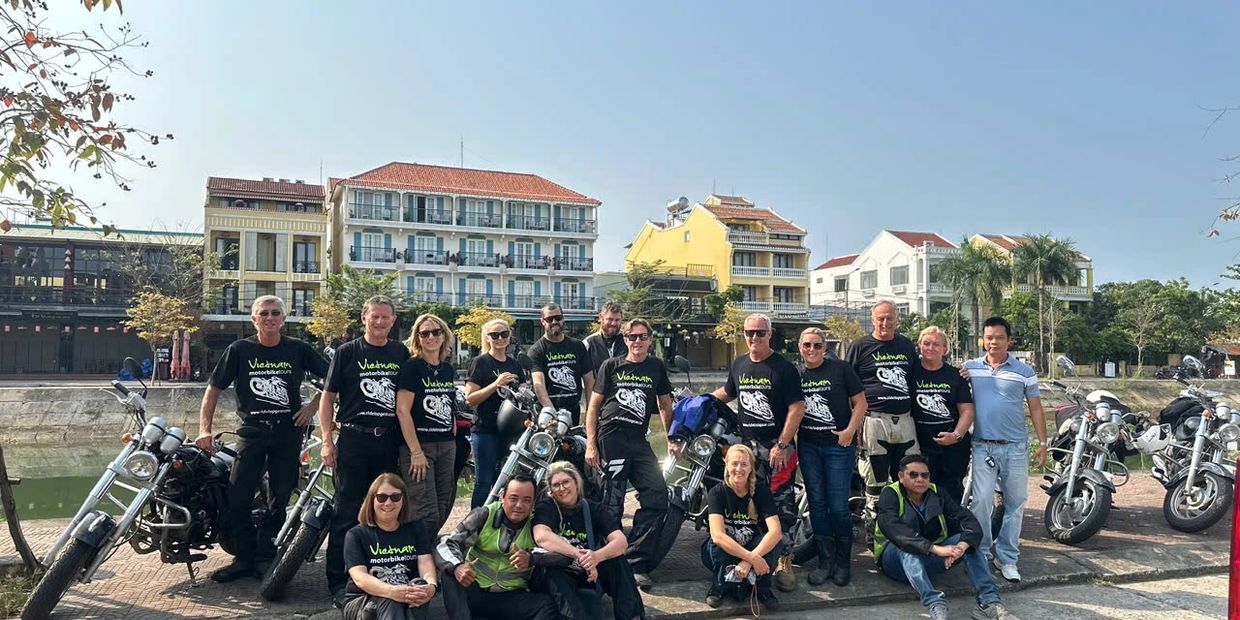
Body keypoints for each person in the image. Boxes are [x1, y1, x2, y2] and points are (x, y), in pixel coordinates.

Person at [196, 295, 327, 583]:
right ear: (254, 319)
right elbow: (213, 390)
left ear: (284, 318)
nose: (270, 318)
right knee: (237, 496)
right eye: (263, 313)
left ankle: (265, 556)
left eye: (275, 313)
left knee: (279, 497)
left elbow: (334, 379)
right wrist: (205, 429)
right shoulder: (239, 349)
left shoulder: (299, 349)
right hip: (252, 430)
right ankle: (242, 558)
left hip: (287, 432)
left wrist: (312, 407)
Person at [320, 295, 410, 604]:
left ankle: (378, 572)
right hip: (354, 440)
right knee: (346, 510)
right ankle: (338, 581)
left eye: (386, 317)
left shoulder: (401, 352)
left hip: (387, 441)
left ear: (393, 321)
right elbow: (328, 397)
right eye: (375, 317)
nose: (380, 322)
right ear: (364, 318)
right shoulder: (347, 352)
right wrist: (327, 440)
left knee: (385, 509)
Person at [711, 313, 804, 592]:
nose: (754, 337)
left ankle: (783, 560)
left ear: (769, 334)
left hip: (777, 447)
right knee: (746, 502)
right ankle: (749, 554)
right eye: (749, 332)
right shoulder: (739, 364)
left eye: (760, 333)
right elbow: (727, 393)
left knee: (781, 504)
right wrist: (695, 400)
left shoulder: (783, 368)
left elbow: (797, 407)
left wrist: (783, 443)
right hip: (745, 446)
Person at [584, 318, 672, 589]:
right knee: (612, 501)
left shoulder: (656, 366)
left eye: (642, 337)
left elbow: (665, 404)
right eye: (632, 337)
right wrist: (591, 443)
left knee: (658, 495)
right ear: (625, 340)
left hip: (639, 440)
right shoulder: (611, 366)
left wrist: (672, 438)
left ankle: (635, 560)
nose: (637, 341)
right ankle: (608, 562)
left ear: (650, 340)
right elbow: (594, 406)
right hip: (611, 437)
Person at [874, 455, 1018, 620]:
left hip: (930, 557)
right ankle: (935, 604)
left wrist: (960, 547)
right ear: (901, 476)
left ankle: (989, 603)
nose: (920, 479)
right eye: (913, 475)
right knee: (906, 549)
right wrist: (935, 549)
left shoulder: (937, 493)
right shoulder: (890, 493)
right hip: (894, 563)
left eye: (924, 475)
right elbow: (894, 530)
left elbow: (967, 519)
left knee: (971, 545)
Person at [963, 317, 1048, 583]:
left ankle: (1008, 557)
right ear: (983, 340)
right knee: (981, 502)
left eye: (999, 337)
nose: (993, 342)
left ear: (1008, 340)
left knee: (1015, 503)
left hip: (1016, 447)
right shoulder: (970, 369)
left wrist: (1043, 444)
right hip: (982, 445)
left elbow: (1035, 408)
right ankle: (983, 550)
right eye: (989, 337)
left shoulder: (1024, 371)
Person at [796, 327, 866, 587]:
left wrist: (850, 431)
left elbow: (860, 402)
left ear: (825, 347)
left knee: (837, 505)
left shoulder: (840, 369)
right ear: (800, 347)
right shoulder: (797, 374)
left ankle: (843, 562)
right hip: (809, 445)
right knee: (816, 503)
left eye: (817, 345)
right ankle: (825, 562)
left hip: (838, 446)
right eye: (807, 345)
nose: (812, 350)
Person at [435, 474, 558, 620]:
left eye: (526, 500)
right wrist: (457, 567)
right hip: (474, 588)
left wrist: (533, 558)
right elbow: (445, 544)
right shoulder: (484, 514)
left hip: (511, 596)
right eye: (513, 498)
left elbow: (563, 555)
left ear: (533, 503)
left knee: (547, 605)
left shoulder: (538, 525)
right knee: (449, 573)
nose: (519, 505)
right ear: (502, 496)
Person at [532, 461, 645, 620]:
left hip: (589, 572)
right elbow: (541, 536)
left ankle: (632, 616)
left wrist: (597, 556)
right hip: (560, 573)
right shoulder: (547, 507)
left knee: (617, 561)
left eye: (566, 482)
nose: (562, 488)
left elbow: (620, 541)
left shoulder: (594, 508)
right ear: (551, 490)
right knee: (550, 569)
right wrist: (580, 556)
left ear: (577, 483)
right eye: (556, 485)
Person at [846, 300, 920, 531]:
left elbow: (917, 378)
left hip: (905, 421)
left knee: (908, 479)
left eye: (890, 318)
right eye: (881, 318)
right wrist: (853, 425)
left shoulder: (906, 346)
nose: (885, 323)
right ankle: (874, 533)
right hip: (873, 421)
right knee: (875, 481)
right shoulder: (859, 346)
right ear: (872, 318)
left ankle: (905, 530)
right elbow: (848, 386)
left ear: (897, 319)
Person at [342, 474, 437, 620]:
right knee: (390, 599)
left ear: (403, 500)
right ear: (371, 500)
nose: (388, 503)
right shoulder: (356, 534)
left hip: (405, 594)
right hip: (363, 600)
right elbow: (360, 577)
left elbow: (425, 562)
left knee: (419, 587)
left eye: (395, 497)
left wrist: (431, 586)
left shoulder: (416, 528)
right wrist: (392, 591)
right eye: (381, 497)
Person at [396, 313, 459, 537]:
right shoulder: (412, 367)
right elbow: (402, 411)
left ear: (444, 336)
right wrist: (415, 451)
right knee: (425, 511)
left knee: (443, 506)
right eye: (425, 333)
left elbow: (449, 401)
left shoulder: (447, 370)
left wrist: (452, 424)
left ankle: (427, 554)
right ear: (417, 338)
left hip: (446, 444)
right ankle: (417, 559)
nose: (431, 337)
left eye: (436, 332)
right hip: (420, 446)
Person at [702, 444, 784, 611]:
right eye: (734, 464)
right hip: (727, 551)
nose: (738, 469)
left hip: (753, 549)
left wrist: (748, 560)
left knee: (775, 543)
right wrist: (752, 559)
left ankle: (763, 588)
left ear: (751, 468)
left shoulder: (761, 491)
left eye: (744, 464)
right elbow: (717, 535)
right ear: (726, 465)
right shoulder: (717, 492)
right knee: (716, 544)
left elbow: (776, 532)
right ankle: (718, 586)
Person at [911, 326, 975, 506]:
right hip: (921, 445)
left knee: (950, 493)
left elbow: (967, 410)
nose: (931, 348)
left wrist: (956, 436)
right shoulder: (911, 373)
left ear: (945, 349)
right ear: (920, 346)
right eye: (926, 343)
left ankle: (951, 532)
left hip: (953, 447)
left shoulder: (956, 375)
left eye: (936, 344)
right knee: (919, 492)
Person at [464, 318, 523, 508]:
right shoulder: (480, 362)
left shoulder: (515, 364)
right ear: (487, 338)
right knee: (484, 481)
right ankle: (475, 526)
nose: (500, 339)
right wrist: (495, 384)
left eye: (504, 334)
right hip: (485, 428)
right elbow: (470, 398)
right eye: (495, 335)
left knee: (504, 481)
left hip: (509, 431)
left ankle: (498, 524)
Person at [528, 303, 594, 426]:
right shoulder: (536, 350)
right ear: (542, 322)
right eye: (549, 319)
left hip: (573, 410)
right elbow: (538, 384)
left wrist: (590, 412)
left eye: (558, 318)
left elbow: (589, 380)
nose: (554, 322)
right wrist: (550, 409)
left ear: (563, 318)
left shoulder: (577, 346)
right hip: (547, 412)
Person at [583, 301, 628, 373]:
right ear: (600, 318)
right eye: (610, 319)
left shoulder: (629, 341)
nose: (613, 323)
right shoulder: (588, 344)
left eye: (617, 320)